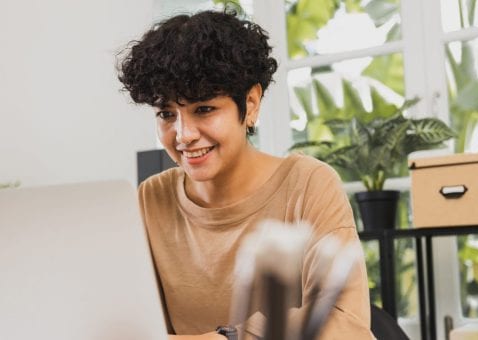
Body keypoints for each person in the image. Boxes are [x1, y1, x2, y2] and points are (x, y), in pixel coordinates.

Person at [117, 9, 373, 340]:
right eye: (166, 114)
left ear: (250, 103)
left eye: (204, 110)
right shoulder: (150, 199)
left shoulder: (307, 184)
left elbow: (347, 323)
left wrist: (228, 338)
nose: (183, 134)